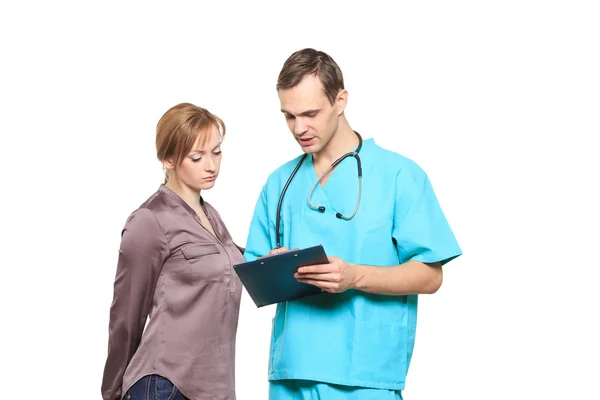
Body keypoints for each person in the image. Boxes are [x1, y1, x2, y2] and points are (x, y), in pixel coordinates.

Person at [243, 48, 462, 399]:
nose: (300, 128)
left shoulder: (398, 175)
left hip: (365, 376)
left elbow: (431, 275)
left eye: (310, 114)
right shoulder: (279, 183)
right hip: (291, 375)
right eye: (289, 116)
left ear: (341, 100)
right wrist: (277, 265)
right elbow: (254, 271)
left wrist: (354, 276)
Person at [101, 103, 244, 400]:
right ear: (167, 159)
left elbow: (228, 263)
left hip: (215, 388)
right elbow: (126, 315)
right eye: (197, 156)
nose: (211, 165)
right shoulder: (149, 220)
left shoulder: (211, 215)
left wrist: (271, 258)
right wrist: (112, 392)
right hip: (165, 386)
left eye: (217, 152)